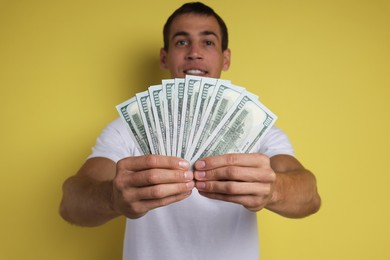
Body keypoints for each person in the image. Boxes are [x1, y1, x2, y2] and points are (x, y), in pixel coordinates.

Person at [60, 2, 321, 260]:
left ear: (225, 57)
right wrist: (112, 197)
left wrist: (273, 190)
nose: (194, 53)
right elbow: (71, 204)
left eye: (208, 42)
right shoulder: (127, 129)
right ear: (164, 57)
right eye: (182, 42)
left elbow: (310, 197)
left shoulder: (258, 131)